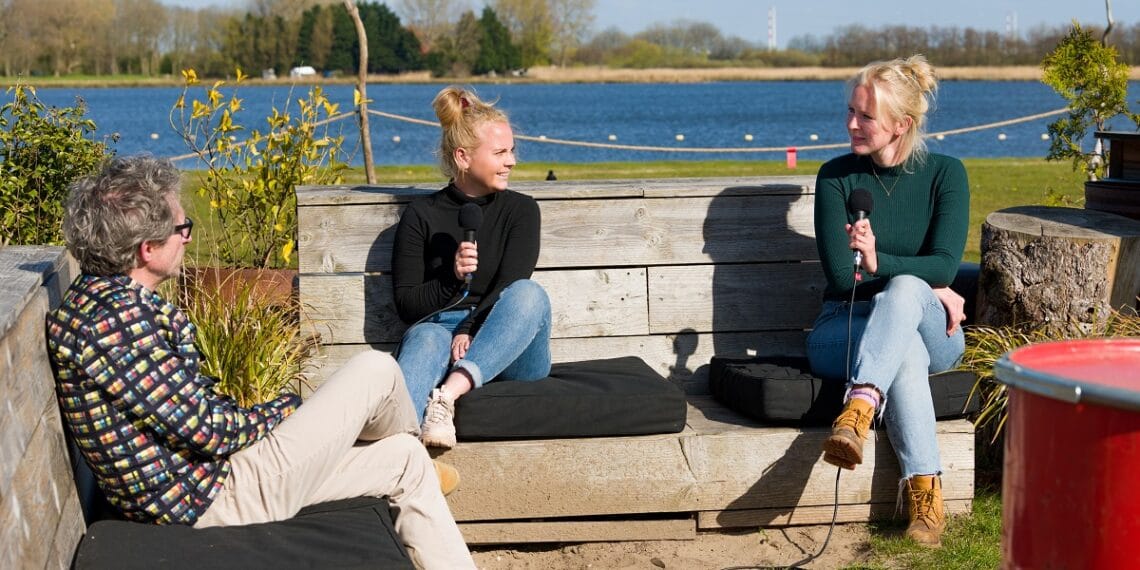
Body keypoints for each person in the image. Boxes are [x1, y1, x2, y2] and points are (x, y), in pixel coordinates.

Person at [46, 155, 476, 569]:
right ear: (146, 249)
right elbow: (210, 431)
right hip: (217, 496)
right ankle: (378, 434)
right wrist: (288, 409)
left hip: (212, 480)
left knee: (405, 458)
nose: (188, 237)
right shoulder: (118, 323)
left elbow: (196, 419)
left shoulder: (101, 301)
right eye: (182, 228)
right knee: (376, 371)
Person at [807, 55, 969, 547]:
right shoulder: (836, 178)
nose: (851, 124)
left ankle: (858, 406)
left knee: (901, 293)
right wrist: (926, 280)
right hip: (845, 327)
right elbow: (840, 276)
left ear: (902, 124)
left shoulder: (945, 174)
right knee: (903, 350)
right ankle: (925, 492)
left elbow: (945, 265)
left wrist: (886, 264)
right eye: (851, 111)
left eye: (866, 116)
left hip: (935, 332)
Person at [393, 86, 551, 449]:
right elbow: (407, 306)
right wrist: (451, 276)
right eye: (499, 153)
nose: (511, 161)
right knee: (426, 336)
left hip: (505, 338)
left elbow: (510, 286)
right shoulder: (422, 215)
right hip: (439, 330)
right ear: (463, 157)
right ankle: (397, 451)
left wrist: (471, 326)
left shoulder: (522, 211)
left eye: (512, 150)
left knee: (529, 294)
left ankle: (446, 396)